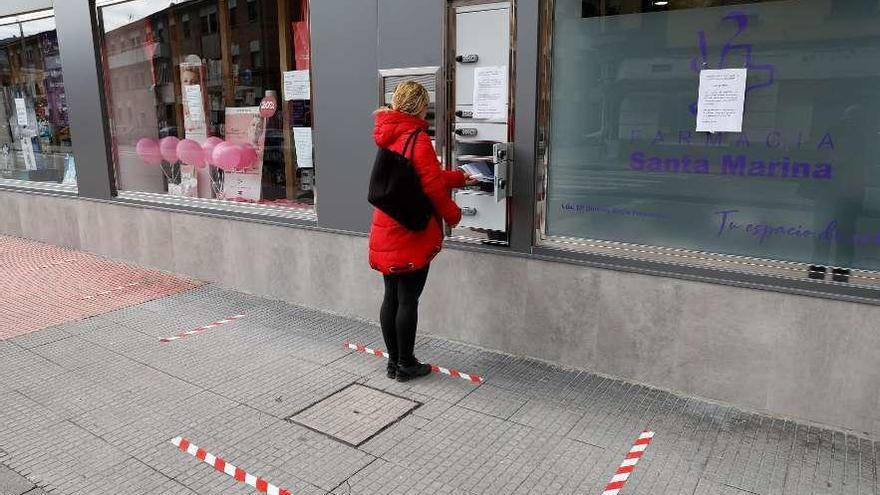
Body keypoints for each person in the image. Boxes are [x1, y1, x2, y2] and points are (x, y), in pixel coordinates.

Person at [369, 81, 474, 382]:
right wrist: (454, 216)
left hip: (386, 226)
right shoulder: (417, 138)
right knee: (407, 299)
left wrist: (458, 178)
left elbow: (420, 175)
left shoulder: (389, 134)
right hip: (409, 231)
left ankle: (393, 363)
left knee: (391, 296)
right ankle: (406, 364)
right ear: (419, 106)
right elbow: (431, 186)